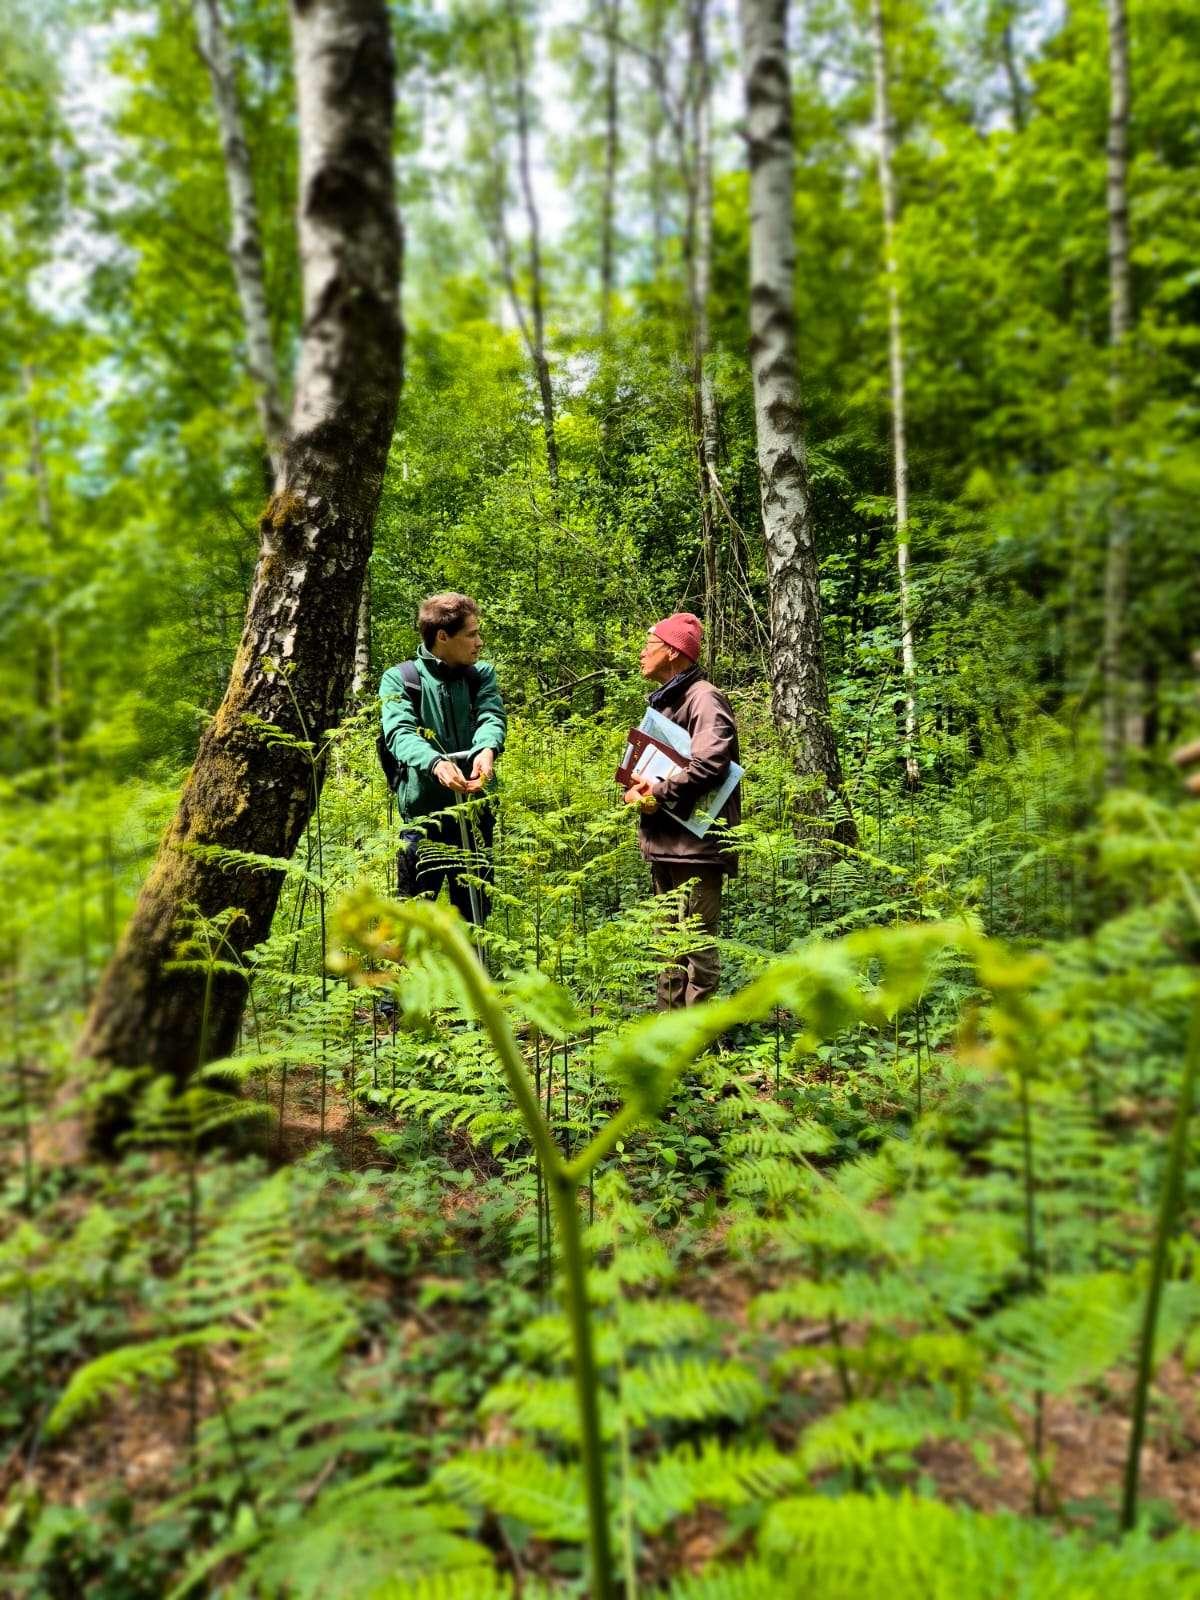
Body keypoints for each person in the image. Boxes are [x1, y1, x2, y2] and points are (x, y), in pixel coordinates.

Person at [623, 612, 741, 1008]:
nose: (641, 654)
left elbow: (711, 764)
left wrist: (657, 788)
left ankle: (697, 1038)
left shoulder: (704, 698)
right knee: (666, 945)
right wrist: (637, 790)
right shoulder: (668, 700)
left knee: (697, 946)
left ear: (672, 652)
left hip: (696, 848)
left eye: (648, 645)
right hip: (666, 842)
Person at [380, 593, 506, 927]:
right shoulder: (402, 679)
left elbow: (491, 717)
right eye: (471, 634)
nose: (479, 643)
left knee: (475, 918)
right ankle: (408, 979)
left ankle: (472, 977)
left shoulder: (480, 676)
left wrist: (486, 749)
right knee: (413, 919)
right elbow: (399, 733)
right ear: (442, 637)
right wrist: (435, 763)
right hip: (423, 821)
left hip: (475, 816)